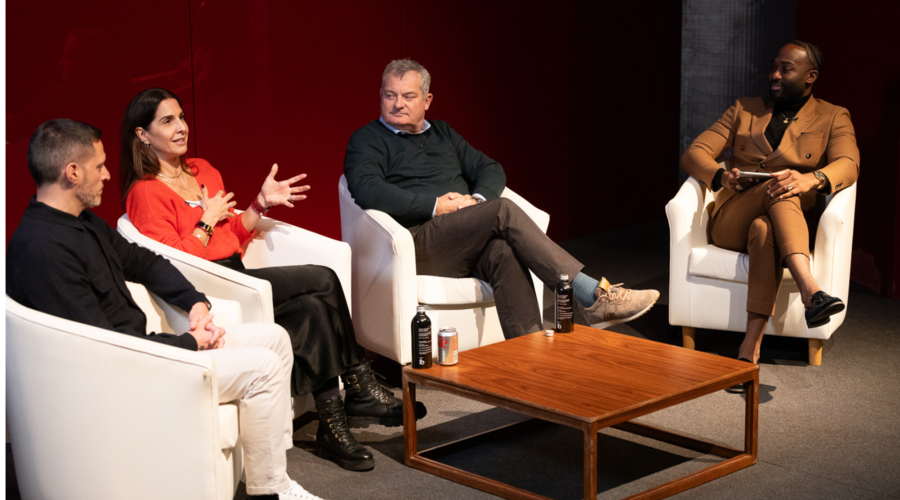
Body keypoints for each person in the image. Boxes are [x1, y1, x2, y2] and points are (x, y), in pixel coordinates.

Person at [6, 119, 322, 500]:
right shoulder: (43, 249)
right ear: (72, 172)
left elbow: (144, 262)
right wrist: (188, 344)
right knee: (263, 369)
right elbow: (102, 347)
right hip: (127, 373)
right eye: (99, 166)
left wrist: (195, 305)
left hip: (145, 350)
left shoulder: (83, 221)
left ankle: (272, 478)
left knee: (273, 339)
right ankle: (269, 493)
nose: (108, 175)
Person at [119, 88, 426, 472]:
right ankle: (360, 384)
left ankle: (333, 426)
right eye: (167, 121)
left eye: (181, 116)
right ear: (142, 135)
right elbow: (173, 264)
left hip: (238, 273)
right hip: (209, 287)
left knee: (314, 307)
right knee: (323, 277)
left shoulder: (202, 170)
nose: (182, 127)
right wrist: (206, 220)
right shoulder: (145, 193)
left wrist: (259, 205)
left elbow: (231, 233)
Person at [344, 59, 660, 340]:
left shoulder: (442, 133)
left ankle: (531, 368)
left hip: (461, 237)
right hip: (414, 242)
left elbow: (489, 168)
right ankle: (592, 296)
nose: (398, 104)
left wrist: (476, 202)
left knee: (503, 252)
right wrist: (439, 205)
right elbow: (367, 189)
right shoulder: (367, 139)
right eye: (390, 95)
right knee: (503, 211)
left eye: (408, 96)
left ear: (427, 100)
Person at [682, 41, 860, 391]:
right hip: (733, 218)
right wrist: (723, 177)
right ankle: (811, 291)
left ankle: (749, 349)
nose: (774, 75)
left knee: (766, 229)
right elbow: (696, 153)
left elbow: (849, 164)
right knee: (777, 187)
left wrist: (811, 178)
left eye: (785, 69)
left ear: (810, 77)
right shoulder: (745, 109)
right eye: (773, 67)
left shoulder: (833, 115)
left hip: (782, 224)